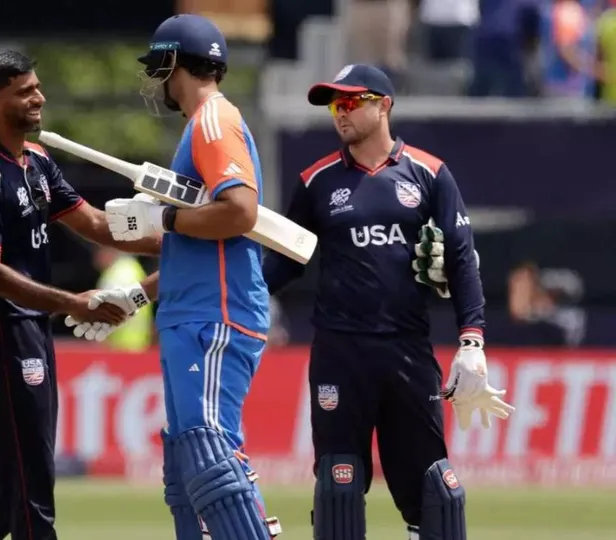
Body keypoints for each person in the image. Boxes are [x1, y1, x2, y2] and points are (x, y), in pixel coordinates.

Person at [261, 64, 516, 540]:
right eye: (336, 105)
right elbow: (285, 262)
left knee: (436, 493)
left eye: (352, 102)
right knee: (338, 489)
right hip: (340, 353)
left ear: (384, 105)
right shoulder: (316, 181)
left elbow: (461, 261)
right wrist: (238, 301)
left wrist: (472, 341)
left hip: (406, 351)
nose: (342, 113)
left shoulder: (430, 173)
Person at [76, 14, 283, 540]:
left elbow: (240, 212)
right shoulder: (202, 126)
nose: (157, 81)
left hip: (215, 314)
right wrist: (136, 295)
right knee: (187, 463)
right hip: (193, 309)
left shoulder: (213, 120)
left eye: (159, 68)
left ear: (174, 63)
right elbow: (194, 246)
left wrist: (162, 218)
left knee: (208, 448)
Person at [0, 50, 161, 540]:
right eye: (25, 91)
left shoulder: (38, 160)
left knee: (19, 476)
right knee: (31, 483)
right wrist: (72, 303)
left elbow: (98, 225)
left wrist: (182, 236)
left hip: (31, 330)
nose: (38, 96)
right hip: (0, 333)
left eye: (37, 86)